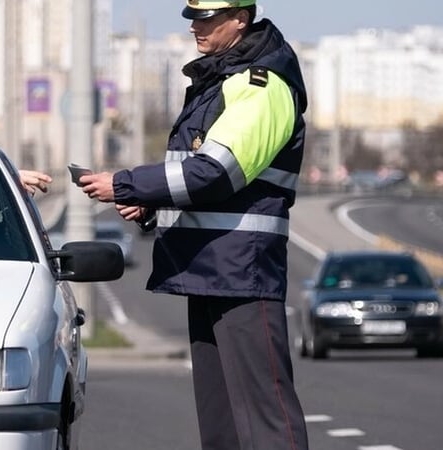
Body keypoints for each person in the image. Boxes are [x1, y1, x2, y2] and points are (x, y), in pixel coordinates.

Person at [76, 1, 309, 448]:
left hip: (243, 272)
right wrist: (148, 203)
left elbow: (217, 172)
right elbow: (198, 178)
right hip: (211, 269)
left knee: (266, 421)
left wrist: (127, 185)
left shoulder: (261, 85)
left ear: (240, 19)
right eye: (192, 18)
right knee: (220, 425)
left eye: (206, 18)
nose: (195, 28)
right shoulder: (220, 82)